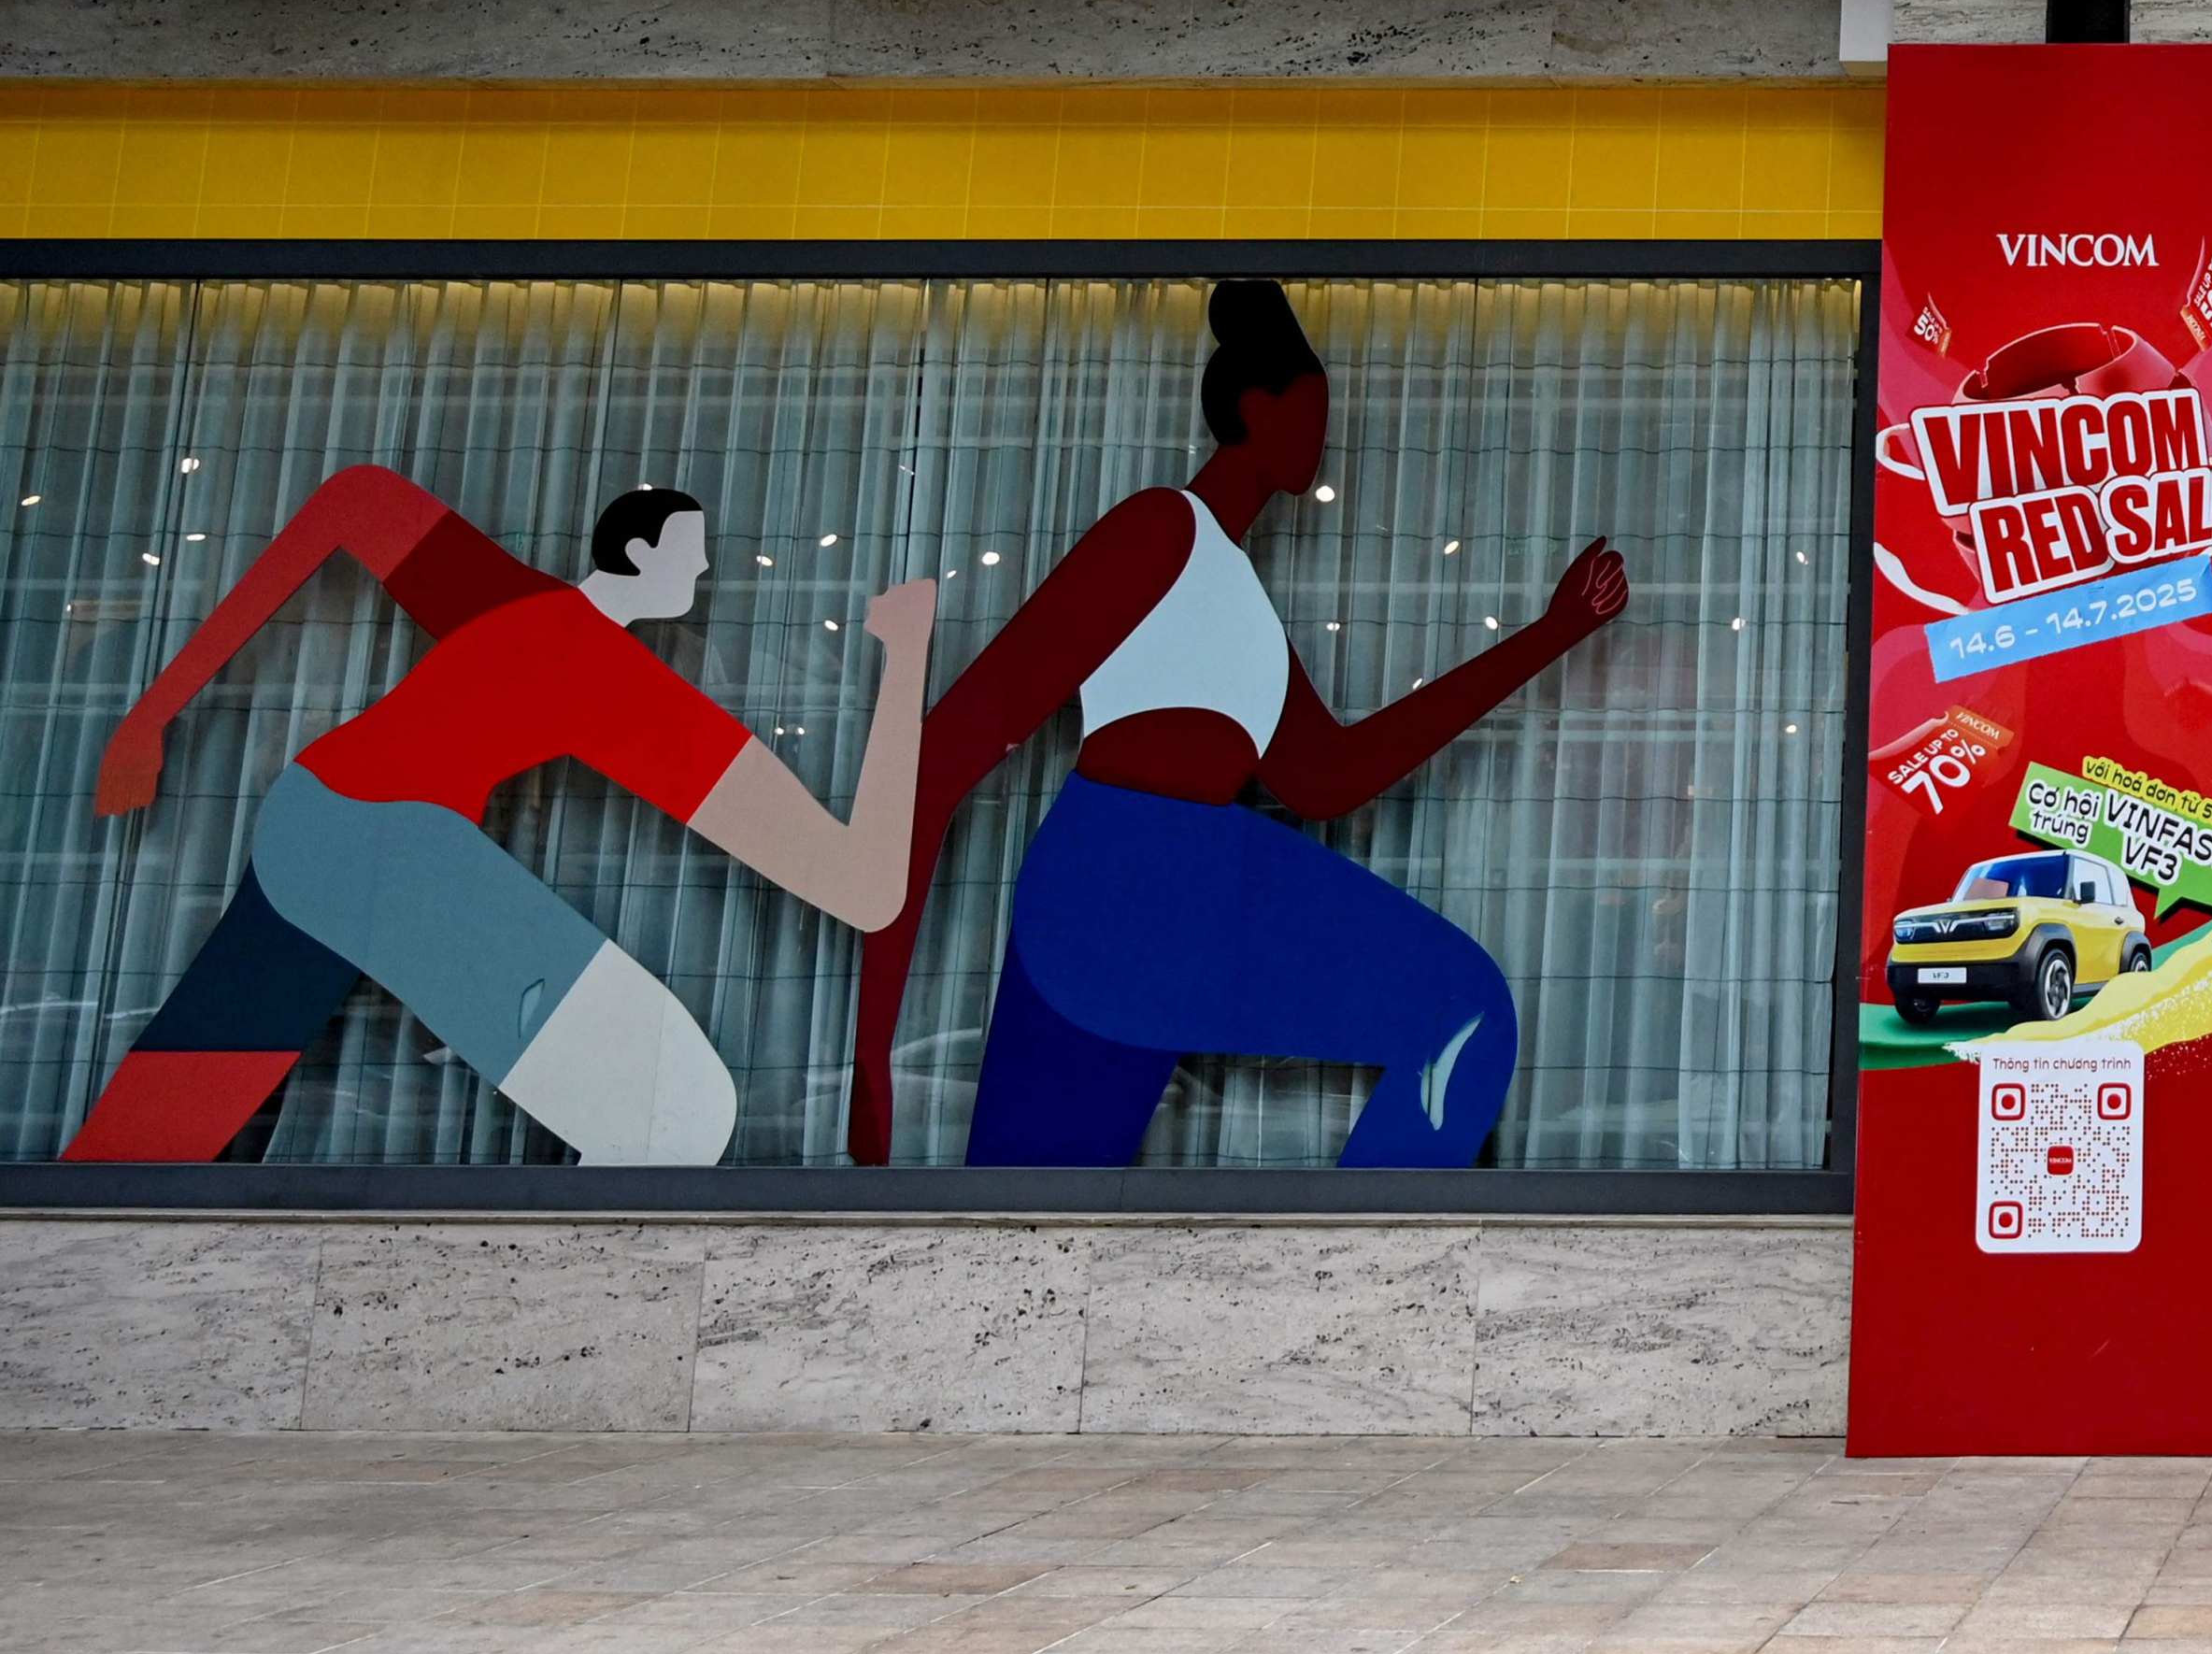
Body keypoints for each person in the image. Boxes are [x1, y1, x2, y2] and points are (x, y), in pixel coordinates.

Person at [848, 279, 1630, 1171]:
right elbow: (947, 755)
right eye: (1311, 414)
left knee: (1031, 1214)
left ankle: (1366, 1286)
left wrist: (1552, 635)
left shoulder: (1242, 606)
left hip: (1130, 902)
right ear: (1256, 409)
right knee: (1461, 1007)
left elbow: (1330, 777)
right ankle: (1369, 1285)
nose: (1324, 442)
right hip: (1131, 877)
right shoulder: (1157, 531)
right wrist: (870, 1054)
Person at [69, 469, 935, 1166]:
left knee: (160, 1123)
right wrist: (906, 660)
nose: (704, 575)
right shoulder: (611, 683)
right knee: (674, 1110)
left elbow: (353, 501)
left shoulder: (503, 601)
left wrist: (154, 714)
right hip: (380, 842)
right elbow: (860, 887)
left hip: (312, 818)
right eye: (690, 554)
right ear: (636, 554)